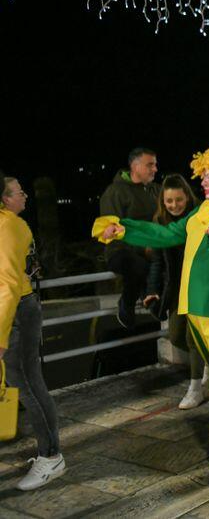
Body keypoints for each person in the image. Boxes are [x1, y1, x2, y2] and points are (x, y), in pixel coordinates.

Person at [96, 145, 209, 484]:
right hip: (197, 311)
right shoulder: (203, 211)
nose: (203, 183)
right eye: (203, 177)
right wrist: (122, 228)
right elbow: (167, 233)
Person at [0, 175, 65, 491]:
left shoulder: (8, 226)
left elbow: (9, 285)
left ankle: (51, 456)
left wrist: (0, 336)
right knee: (28, 382)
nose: (24, 195)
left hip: (16, 312)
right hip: (16, 310)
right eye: (19, 191)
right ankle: (50, 453)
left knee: (26, 384)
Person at [142, 174, 209, 409]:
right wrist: (152, 290)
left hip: (200, 285)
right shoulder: (160, 221)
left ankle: (196, 389)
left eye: (179, 200)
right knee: (176, 335)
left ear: (187, 197)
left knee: (193, 337)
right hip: (177, 288)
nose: (174, 205)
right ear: (163, 201)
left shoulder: (199, 216)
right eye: (169, 201)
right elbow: (157, 261)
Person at [99, 147, 161, 329]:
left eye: (155, 165)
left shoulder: (155, 190)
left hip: (151, 248)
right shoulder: (114, 193)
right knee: (138, 265)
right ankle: (127, 304)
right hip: (120, 250)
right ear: (135, 166)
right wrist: (143, 248)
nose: (155, 169)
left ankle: (153, 299)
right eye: (150, 165)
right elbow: (113, 232)